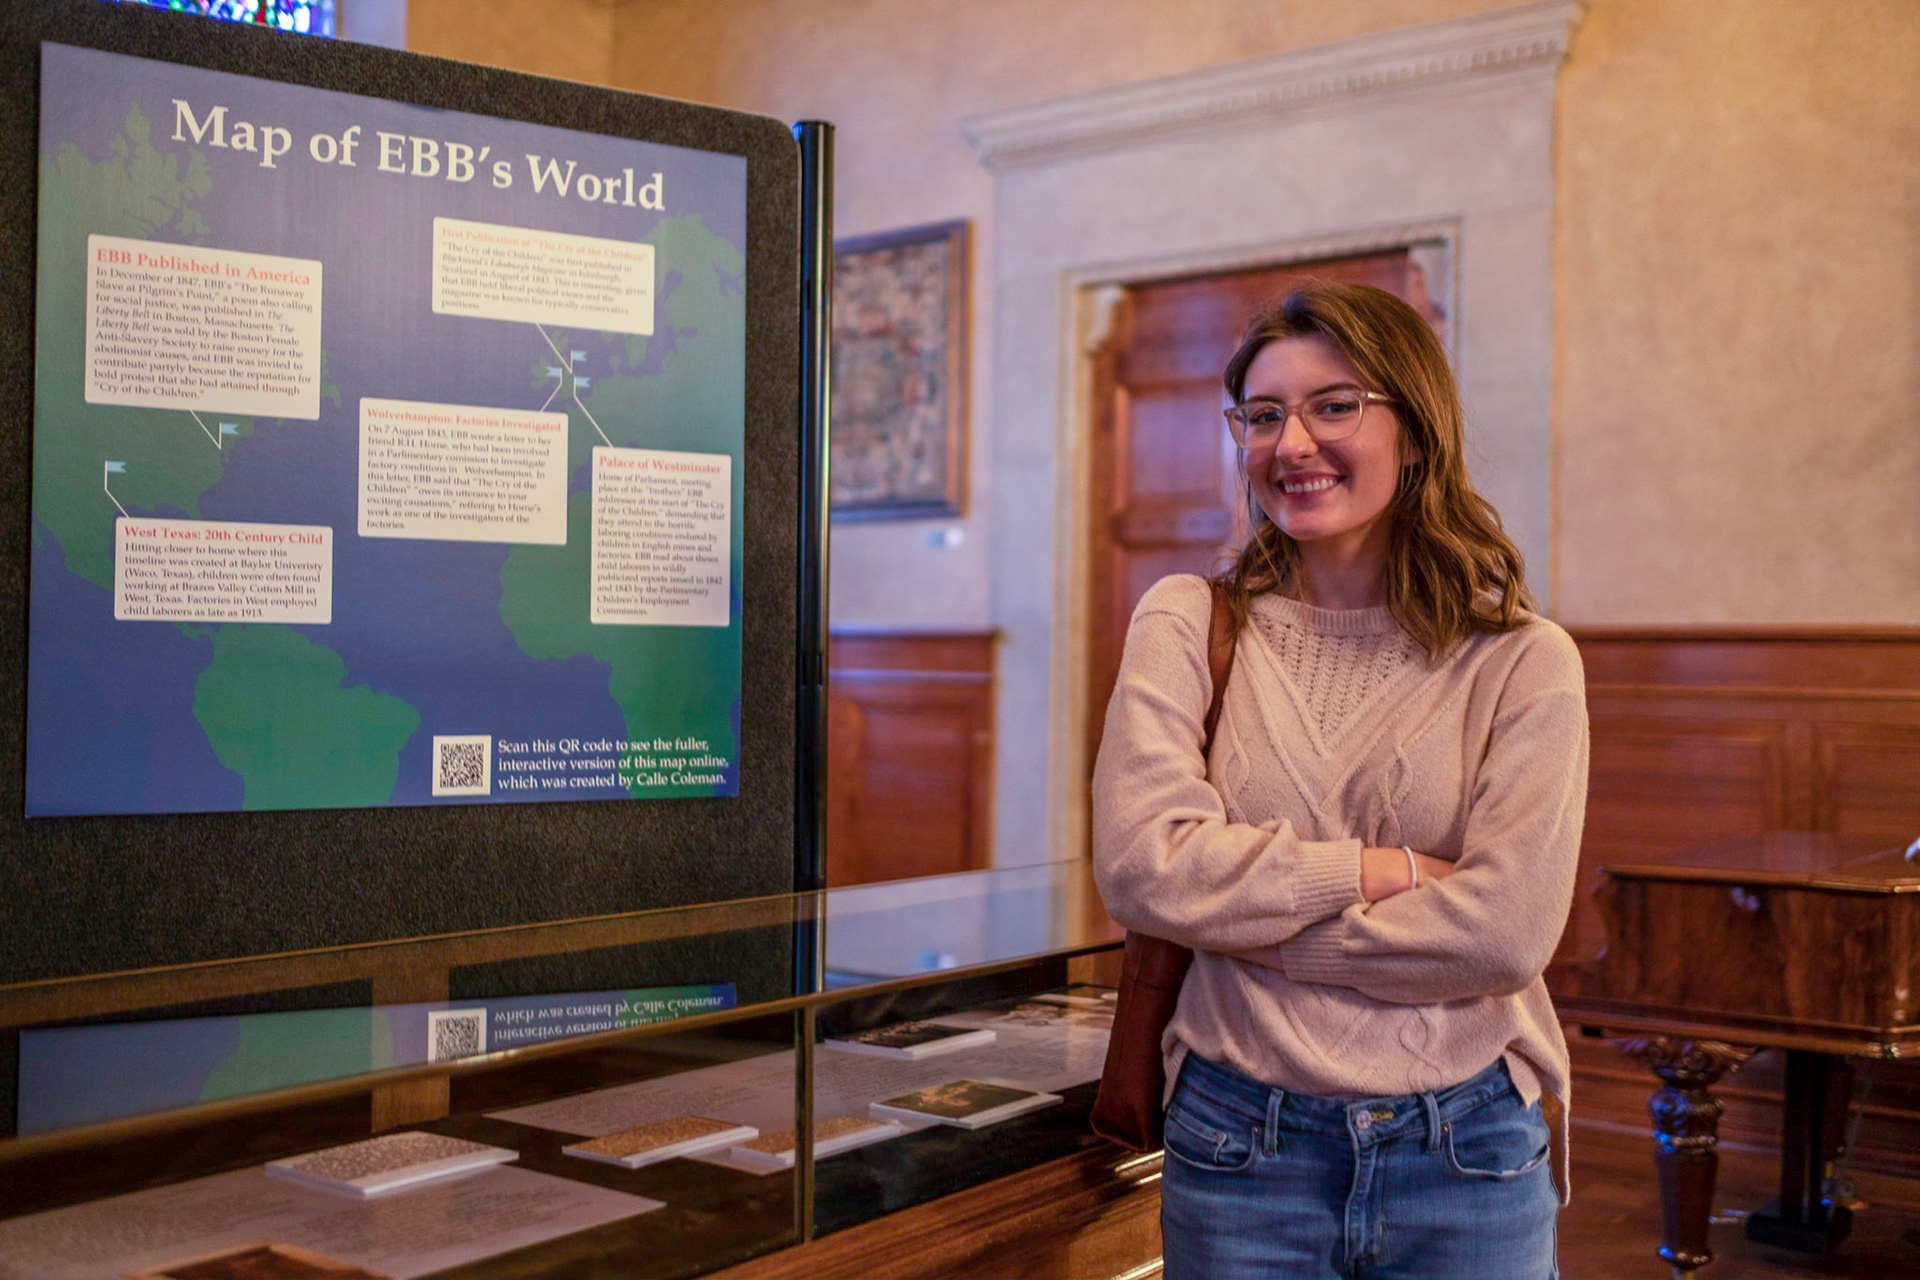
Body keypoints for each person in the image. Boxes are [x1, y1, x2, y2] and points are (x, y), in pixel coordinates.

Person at [1091, 281, 1588, 1280]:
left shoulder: (1523, 659)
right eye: (1262, 415)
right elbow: (1143, 869)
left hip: (1468, 1147)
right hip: (1238, 1142)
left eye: (1334, 405)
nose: (1292, 443)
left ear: (1415, 428)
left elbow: (1505, 934)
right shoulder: (1186, 620)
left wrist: (1248, 935)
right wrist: (1386, 871)